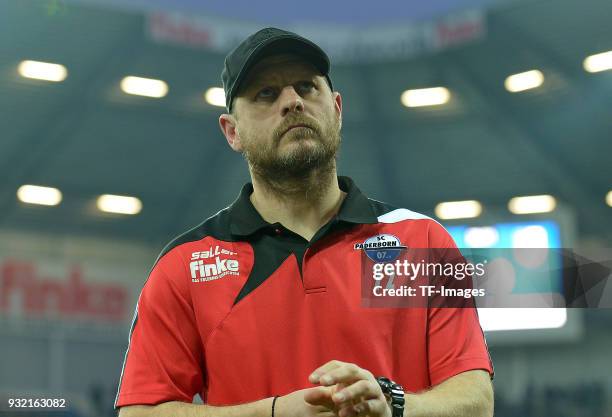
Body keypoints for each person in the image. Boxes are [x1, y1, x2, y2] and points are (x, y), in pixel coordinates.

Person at [115, 27, 494, 417]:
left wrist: (394, 407)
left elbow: (476, 401)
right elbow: (139, 412)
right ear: (232, 132)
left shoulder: (421, 240)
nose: (292, 102)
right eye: (266, 93)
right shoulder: (185, 265)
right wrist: (274, 413)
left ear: (337, 109)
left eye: (307, 87)